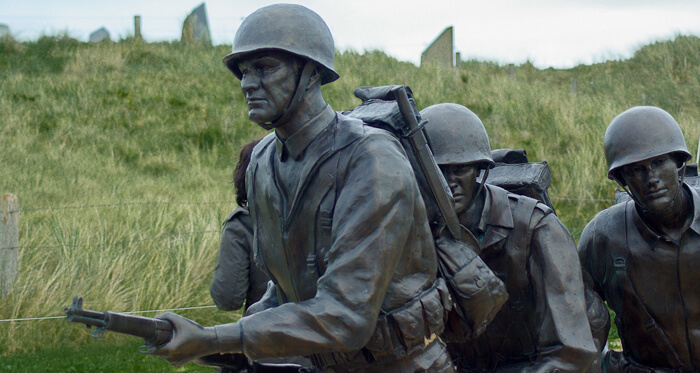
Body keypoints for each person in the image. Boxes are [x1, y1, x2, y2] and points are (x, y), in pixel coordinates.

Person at [151, 4, 455, 372]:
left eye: (265, 67)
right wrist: (212, 340)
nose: (248, 82)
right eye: (244, 72)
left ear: (311, 73)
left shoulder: (372, 159)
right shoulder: (262, 162)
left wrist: (221, 337)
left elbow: (347, 315)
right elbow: (282, 292)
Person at [422, 103, 598, 372]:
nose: (449, 182)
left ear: (480, 171)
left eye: (460, 169)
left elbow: (571, 352)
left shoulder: (536, 228)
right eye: (438, 171)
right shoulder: (419, 232)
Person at [578, 106, 700, 372]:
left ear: (680, 165)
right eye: (636, 170)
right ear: (623, 180)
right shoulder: (603, 237)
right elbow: (579, 324)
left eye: (658, 163)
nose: (651, 179)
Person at [210, 138, 267, 314]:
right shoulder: (326, 214)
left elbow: (227, 298)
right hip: (331, 332)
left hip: (267, 334)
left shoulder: (242, 225)